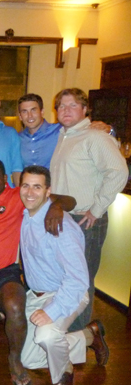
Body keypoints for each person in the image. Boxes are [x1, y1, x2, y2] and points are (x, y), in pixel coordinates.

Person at [0, 158, 76, 385]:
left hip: (3, 273)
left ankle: (15, 359)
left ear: (5, 179)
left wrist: (56, 205)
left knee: (14, 305)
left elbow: (70, 200)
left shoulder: (17, 197)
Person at [19, 166, 110, 385]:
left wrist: (51, 311)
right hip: (37, 293)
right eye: (26, 185)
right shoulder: (25, 216)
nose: (30, 192)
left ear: (48, 191)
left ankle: (63, 375)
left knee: (47, 336)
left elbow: (78, 280)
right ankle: (90, 336)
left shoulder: (60, 225)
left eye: (37, 187)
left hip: (68, 292)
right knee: (29, 359)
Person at [50, 88, 128, 331]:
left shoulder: (95, 137)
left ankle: (81, 337)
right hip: (65, 217)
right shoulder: (65, 136)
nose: (65, 110)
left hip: (85, 221)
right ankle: (69, 332)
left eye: (72, 105)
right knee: (67, 278)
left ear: (85, 110)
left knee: (81, 281)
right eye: (61, 106)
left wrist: (96, 208)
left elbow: (119, 172)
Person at [17, 93, 111, 168]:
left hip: (57, 190)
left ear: (42, 112)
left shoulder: (61, 130)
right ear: (20, 116)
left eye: (33, 110)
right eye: (24, 111)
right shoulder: (17, 138)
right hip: (30, 190)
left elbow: (84, 129)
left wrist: (108, 129)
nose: (30, 116)